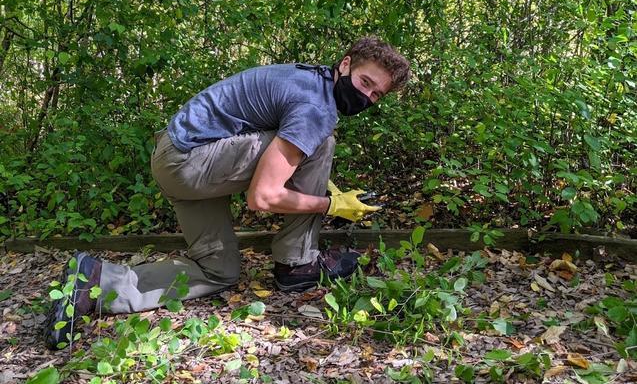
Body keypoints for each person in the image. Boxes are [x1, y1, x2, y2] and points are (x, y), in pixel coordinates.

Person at [44, 36, 411, 349]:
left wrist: (317, 182)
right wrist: (332, 205)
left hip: (179, 160)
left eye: (377, 94)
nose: (367, 98)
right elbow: (263, 197)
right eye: (365, 83)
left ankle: (93, 281)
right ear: (345, 65)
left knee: (219, 271)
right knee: (321, 141)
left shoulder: (312, 79)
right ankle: (297, 263)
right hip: (190, 163)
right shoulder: (316, 106)